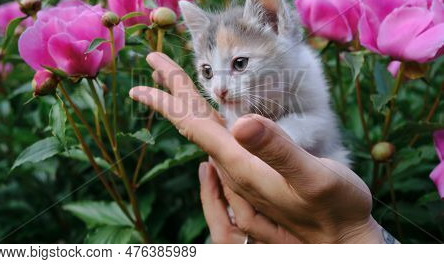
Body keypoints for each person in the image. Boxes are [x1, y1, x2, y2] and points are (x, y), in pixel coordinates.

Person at [130, 52, 400, 244]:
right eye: (207, 72)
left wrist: (350, 235)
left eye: (239, 63)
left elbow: (316, 125)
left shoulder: (301, 75)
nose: (218, 90)